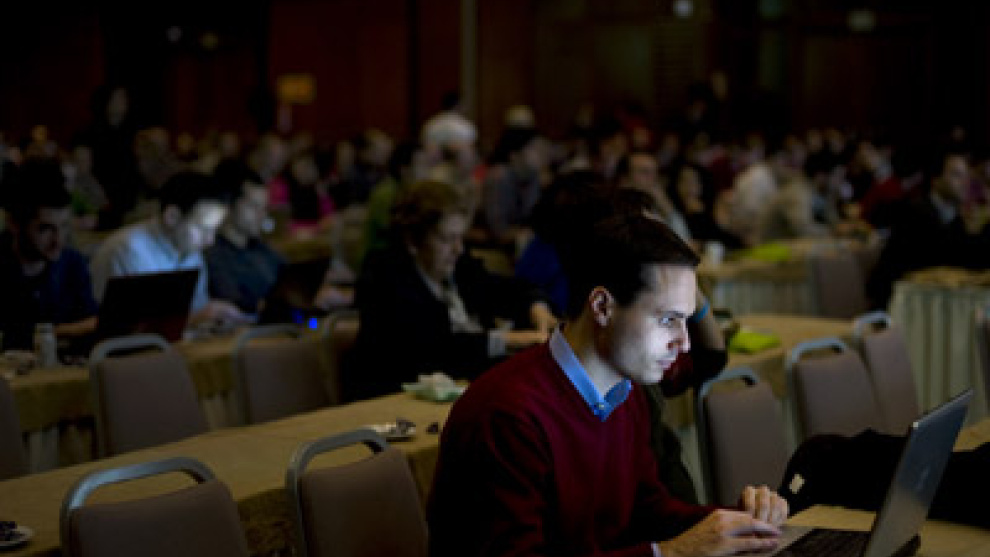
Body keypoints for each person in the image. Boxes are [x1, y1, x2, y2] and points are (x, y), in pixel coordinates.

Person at [428, 213, 788, 557]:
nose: (685, 343)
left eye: (685, 320)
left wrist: (736, 524)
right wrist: (673, 552)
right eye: (668, 320)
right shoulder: (506, 414)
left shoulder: (626, 392)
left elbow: (648, 512)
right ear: (602, 307)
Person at [349, 179, 555, 401]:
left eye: (460, 237)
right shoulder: (383, 276)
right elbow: (434, 349)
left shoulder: (459, 266)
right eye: (447, 239)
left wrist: (538, 309)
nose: (458, 249)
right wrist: (511, 340)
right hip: (397, 400)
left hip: (465, 392)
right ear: (413, 241)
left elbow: (508, 289)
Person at [90, 171, 251, 328]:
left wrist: (211, 318)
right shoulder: (130, 249)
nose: (210, 240)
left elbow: (197, 309)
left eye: (214, 230)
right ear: (172, 217)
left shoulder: (191, 251)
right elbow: (138, 326)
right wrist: (201, 316)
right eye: (203, 228)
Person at [867, 151, 990, 308]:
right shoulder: (916, 212)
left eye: (966, 175)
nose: (965, 182)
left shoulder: (953, 216)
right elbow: (952, 256)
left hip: (930, 298)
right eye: (956, 175)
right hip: (898, 302)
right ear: (935, 180)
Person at [0, 159, 97, 351]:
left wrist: (48, 334)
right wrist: (62, 332)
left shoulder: (72, 263)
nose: (58, 241)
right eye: (45, 229)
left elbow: (92, 323)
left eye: (64, 226)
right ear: (14, 224)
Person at [205, 160, 284, 315]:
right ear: (228, 205)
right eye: (253, 206)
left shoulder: (262, 249)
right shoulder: (213, 254)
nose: (262, 215)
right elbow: (235, 301)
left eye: (264, 208)